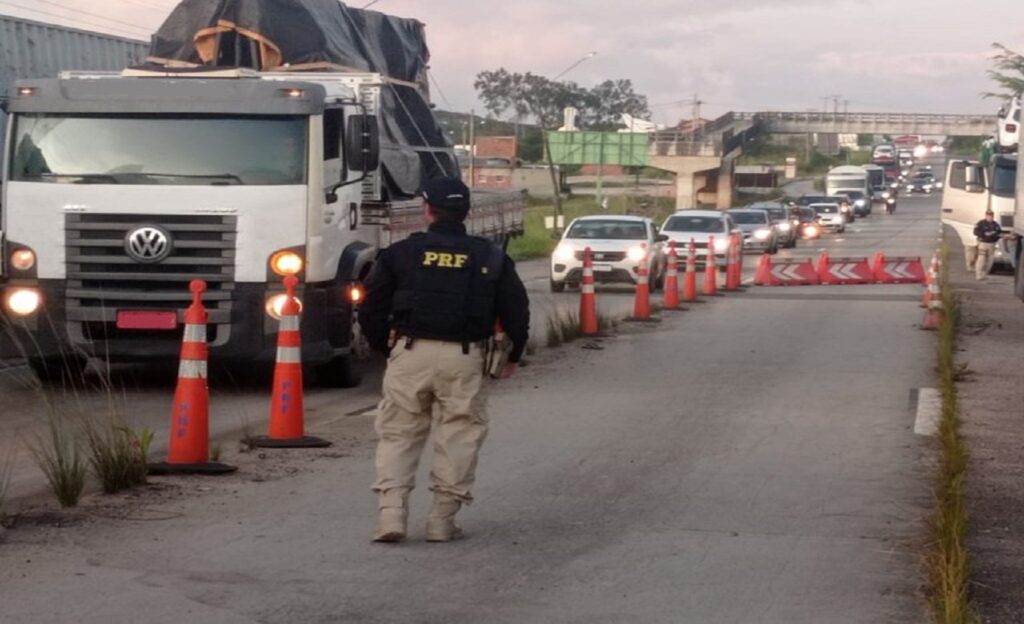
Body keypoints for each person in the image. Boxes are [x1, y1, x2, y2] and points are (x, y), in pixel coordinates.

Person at [358, 177, 530, 543]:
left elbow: (371, 305)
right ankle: (441, 520)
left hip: (410, 352)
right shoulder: (489, 255)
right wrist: (514, 354)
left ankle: (392, 515)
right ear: (466, 212)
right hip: (465, 358)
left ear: (427, 210)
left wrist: (384, 349)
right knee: (459, 434)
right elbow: (516, 309)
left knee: (399, 433)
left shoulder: (401, 253)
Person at [973, 209, 1003, 280]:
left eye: (991, 216)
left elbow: (999, 233)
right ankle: (978, 274)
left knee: (990, 260)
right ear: (986, 216)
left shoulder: (995, 225)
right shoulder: (981, 223)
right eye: (988, 215)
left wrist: (996, 236)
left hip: (992, 244)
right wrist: (983, 234)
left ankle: (984, 274)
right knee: (981, 259)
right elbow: (975, 231)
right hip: (983, 243)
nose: (990, 217)